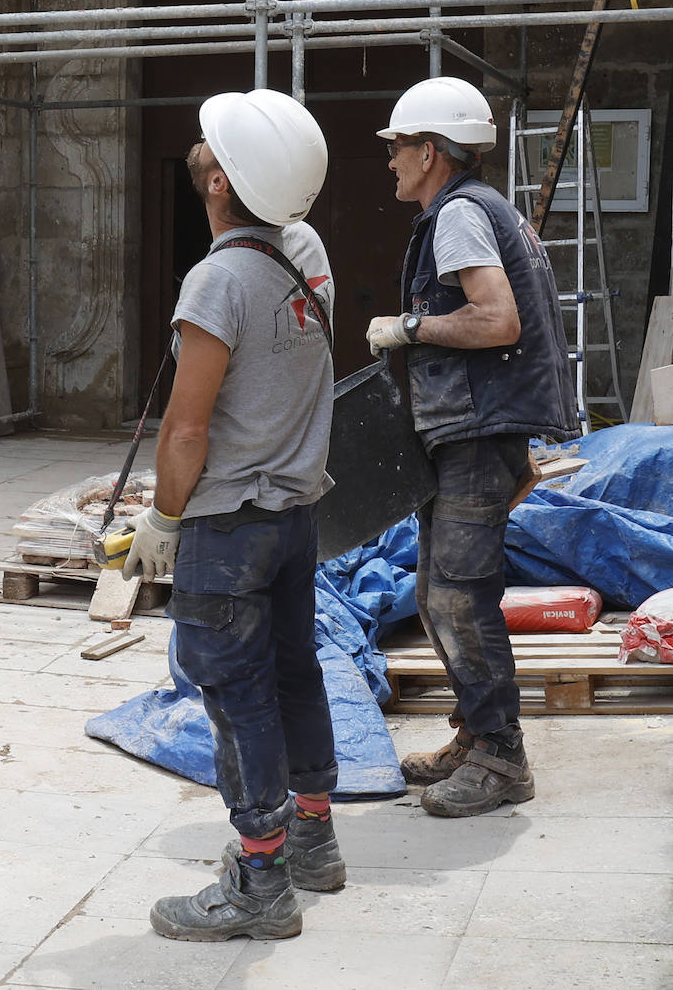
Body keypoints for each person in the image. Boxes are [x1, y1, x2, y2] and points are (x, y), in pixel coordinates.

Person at [128, 89, 340, 943]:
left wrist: (163, 519)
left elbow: (186, 426)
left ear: (219, 183)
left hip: (230, 526)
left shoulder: (217, 279)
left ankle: (261, 881)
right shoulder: (308, 251)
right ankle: (316, 837)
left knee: (237, 696)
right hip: (295, 516)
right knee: (297, 672)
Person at [367, 76, 578, 817]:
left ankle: (500, 757)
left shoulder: (458, 216)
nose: (391, 161)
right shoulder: (480, 211)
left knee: (459, 594)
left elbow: (498, 322)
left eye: (398, 148)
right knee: (435, 592)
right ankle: (473, 731)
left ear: (431, 151)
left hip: (481, 429)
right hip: (477, 430)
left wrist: (410, 327)